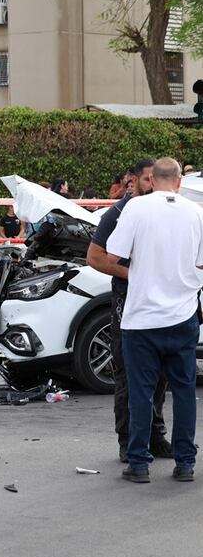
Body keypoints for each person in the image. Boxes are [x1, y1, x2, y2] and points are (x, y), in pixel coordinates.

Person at [105, 157, 203, 483]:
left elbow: (112, 255)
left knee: (140, 392)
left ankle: (138, 463)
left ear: (152, 179)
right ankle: (186, 463)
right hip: (182, 316)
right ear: (178, 181)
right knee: (185, 390)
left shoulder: (136, 209)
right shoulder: (196, 213)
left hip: (141, 318)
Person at [87, 160, 171, 464]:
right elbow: (95, 257)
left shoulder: (163, 211)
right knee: (127, 374)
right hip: (128, 302)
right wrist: (133, 275)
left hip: (160, 304)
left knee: (160, 372)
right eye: (148, 179)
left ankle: (155, 435)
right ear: (133, 182)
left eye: (156, 178)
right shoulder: (119, 213)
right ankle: (127, 440)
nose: (154, 184)